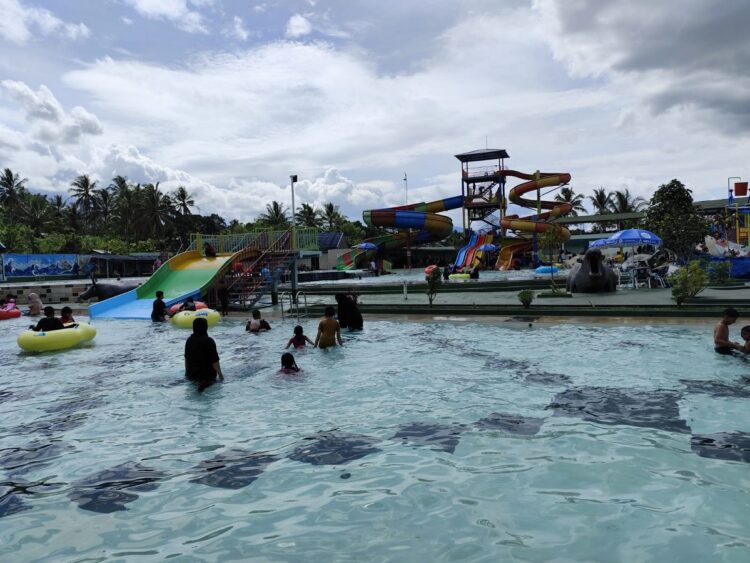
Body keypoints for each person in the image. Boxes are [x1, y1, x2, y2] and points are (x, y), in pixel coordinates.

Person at [184, 317, 224, 392]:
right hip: (207, 376)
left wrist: (187, 373)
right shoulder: (209, 341)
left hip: (191, 375)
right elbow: (215, 361)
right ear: (206, 327)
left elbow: (186, 358)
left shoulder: (189, 340)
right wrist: (221, 375)